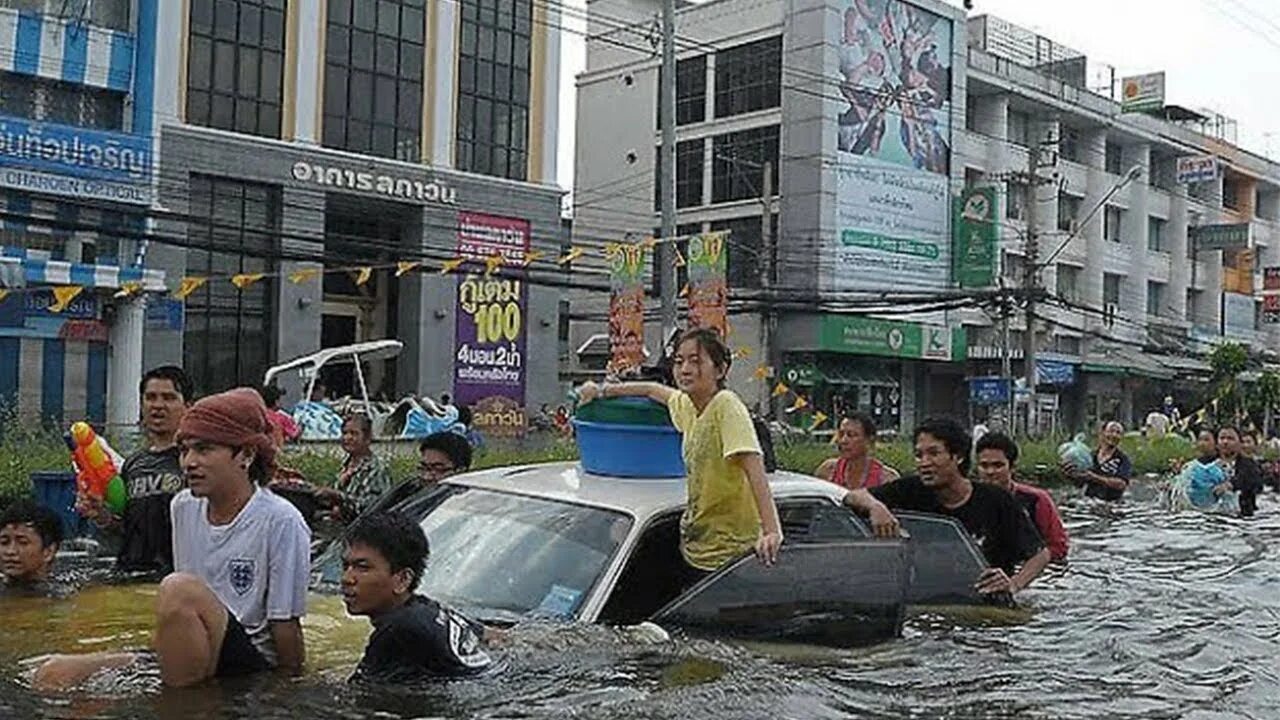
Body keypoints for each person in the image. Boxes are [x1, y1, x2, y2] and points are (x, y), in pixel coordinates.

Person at [36, 388, 311, 689]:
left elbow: (285, 626)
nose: (189, 462)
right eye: (184, 450)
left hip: (249, 660)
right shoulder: (183, 506)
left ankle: (180, 704)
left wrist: (286, 694)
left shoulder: (281, 521)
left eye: (204, 450)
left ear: (246, 454)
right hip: (198, 642)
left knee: (178, 588)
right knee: (54, 672)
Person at [576, 327, 784, 588]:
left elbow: (753, 465)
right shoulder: (689, 406)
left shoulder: (726, 405)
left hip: (729, 558)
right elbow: (651, 389)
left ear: (720, 370)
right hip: (695, 548)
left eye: (695, 361)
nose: (685, 369)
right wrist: (600, 391)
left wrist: (772, 531)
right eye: (679, 361)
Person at [842, 417, 1050, 599]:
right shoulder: (910, 489)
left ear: (958, 456)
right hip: (928, 600)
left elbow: (1040, 554)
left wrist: (1014, 585)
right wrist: (876, 506)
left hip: (984, 602)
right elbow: (852, 496)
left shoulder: (997, 500)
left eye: (934, 453)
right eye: (919, 455)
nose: (924, 463)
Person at [342, 511, 492, 682]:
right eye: (346, 566)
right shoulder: (430, 609)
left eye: (362, 568)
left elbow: (354, 691)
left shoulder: (398, 629)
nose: (346, 578)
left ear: (403, 579)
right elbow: (494, 637)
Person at [78, 365, 192, 577]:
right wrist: (101, 515)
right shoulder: (133, 465)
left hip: (176, 578)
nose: (158, 405)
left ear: (187, 406)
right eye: (150, 397)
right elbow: (126, 527)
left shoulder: (195, 460)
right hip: (130, 576)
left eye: (168, 398)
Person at [974, 433, 1069, 564]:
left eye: (998, 465)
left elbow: (1058, 547)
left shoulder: (1036, 500)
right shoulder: (967, 498)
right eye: (984, 466)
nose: (990, 472)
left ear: (1012, 467)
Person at [360, 432, 474, 519]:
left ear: (460, 471)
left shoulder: (466, 512)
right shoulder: (406, 494)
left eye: (438, 469)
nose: (427, 476)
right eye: (424, 468)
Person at [318, 414, 393, 522]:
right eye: (344, 433)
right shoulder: (345, 466)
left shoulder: (377, 469)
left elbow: (374, 508)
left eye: (354, 433)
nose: (347, 438)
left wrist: (339, 497)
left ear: (367, 438)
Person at [814, 414, 900, 490]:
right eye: (841, 434)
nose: (844, 440)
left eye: (851, 435)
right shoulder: (827, 471)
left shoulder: (886, 479)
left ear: (869, 440)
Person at [0, 500, 64, 596]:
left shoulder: (65, 594)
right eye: (4, 542)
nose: (10, 551)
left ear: (49, 552)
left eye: (23, 543)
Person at [1066, 421, 1132, 502]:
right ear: (1102, 433)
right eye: (1111, 431)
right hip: (1089, 501)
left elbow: (1121, 484)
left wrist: (1094, 477)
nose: (1114, 435)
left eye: (1118, 433)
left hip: (1112, 503)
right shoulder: (1090, 457)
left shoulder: (1123, 459)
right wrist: (1070, 475)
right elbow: (1080, 484)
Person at [1217, 426, 1263, 518]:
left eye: (1230, 438)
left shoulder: (1250, 465)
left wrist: (1231, 485)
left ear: (1239, 443)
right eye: (1222, 438)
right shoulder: (1208, 464)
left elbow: (1255, 483)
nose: (1225, 442)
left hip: (1243, 517)